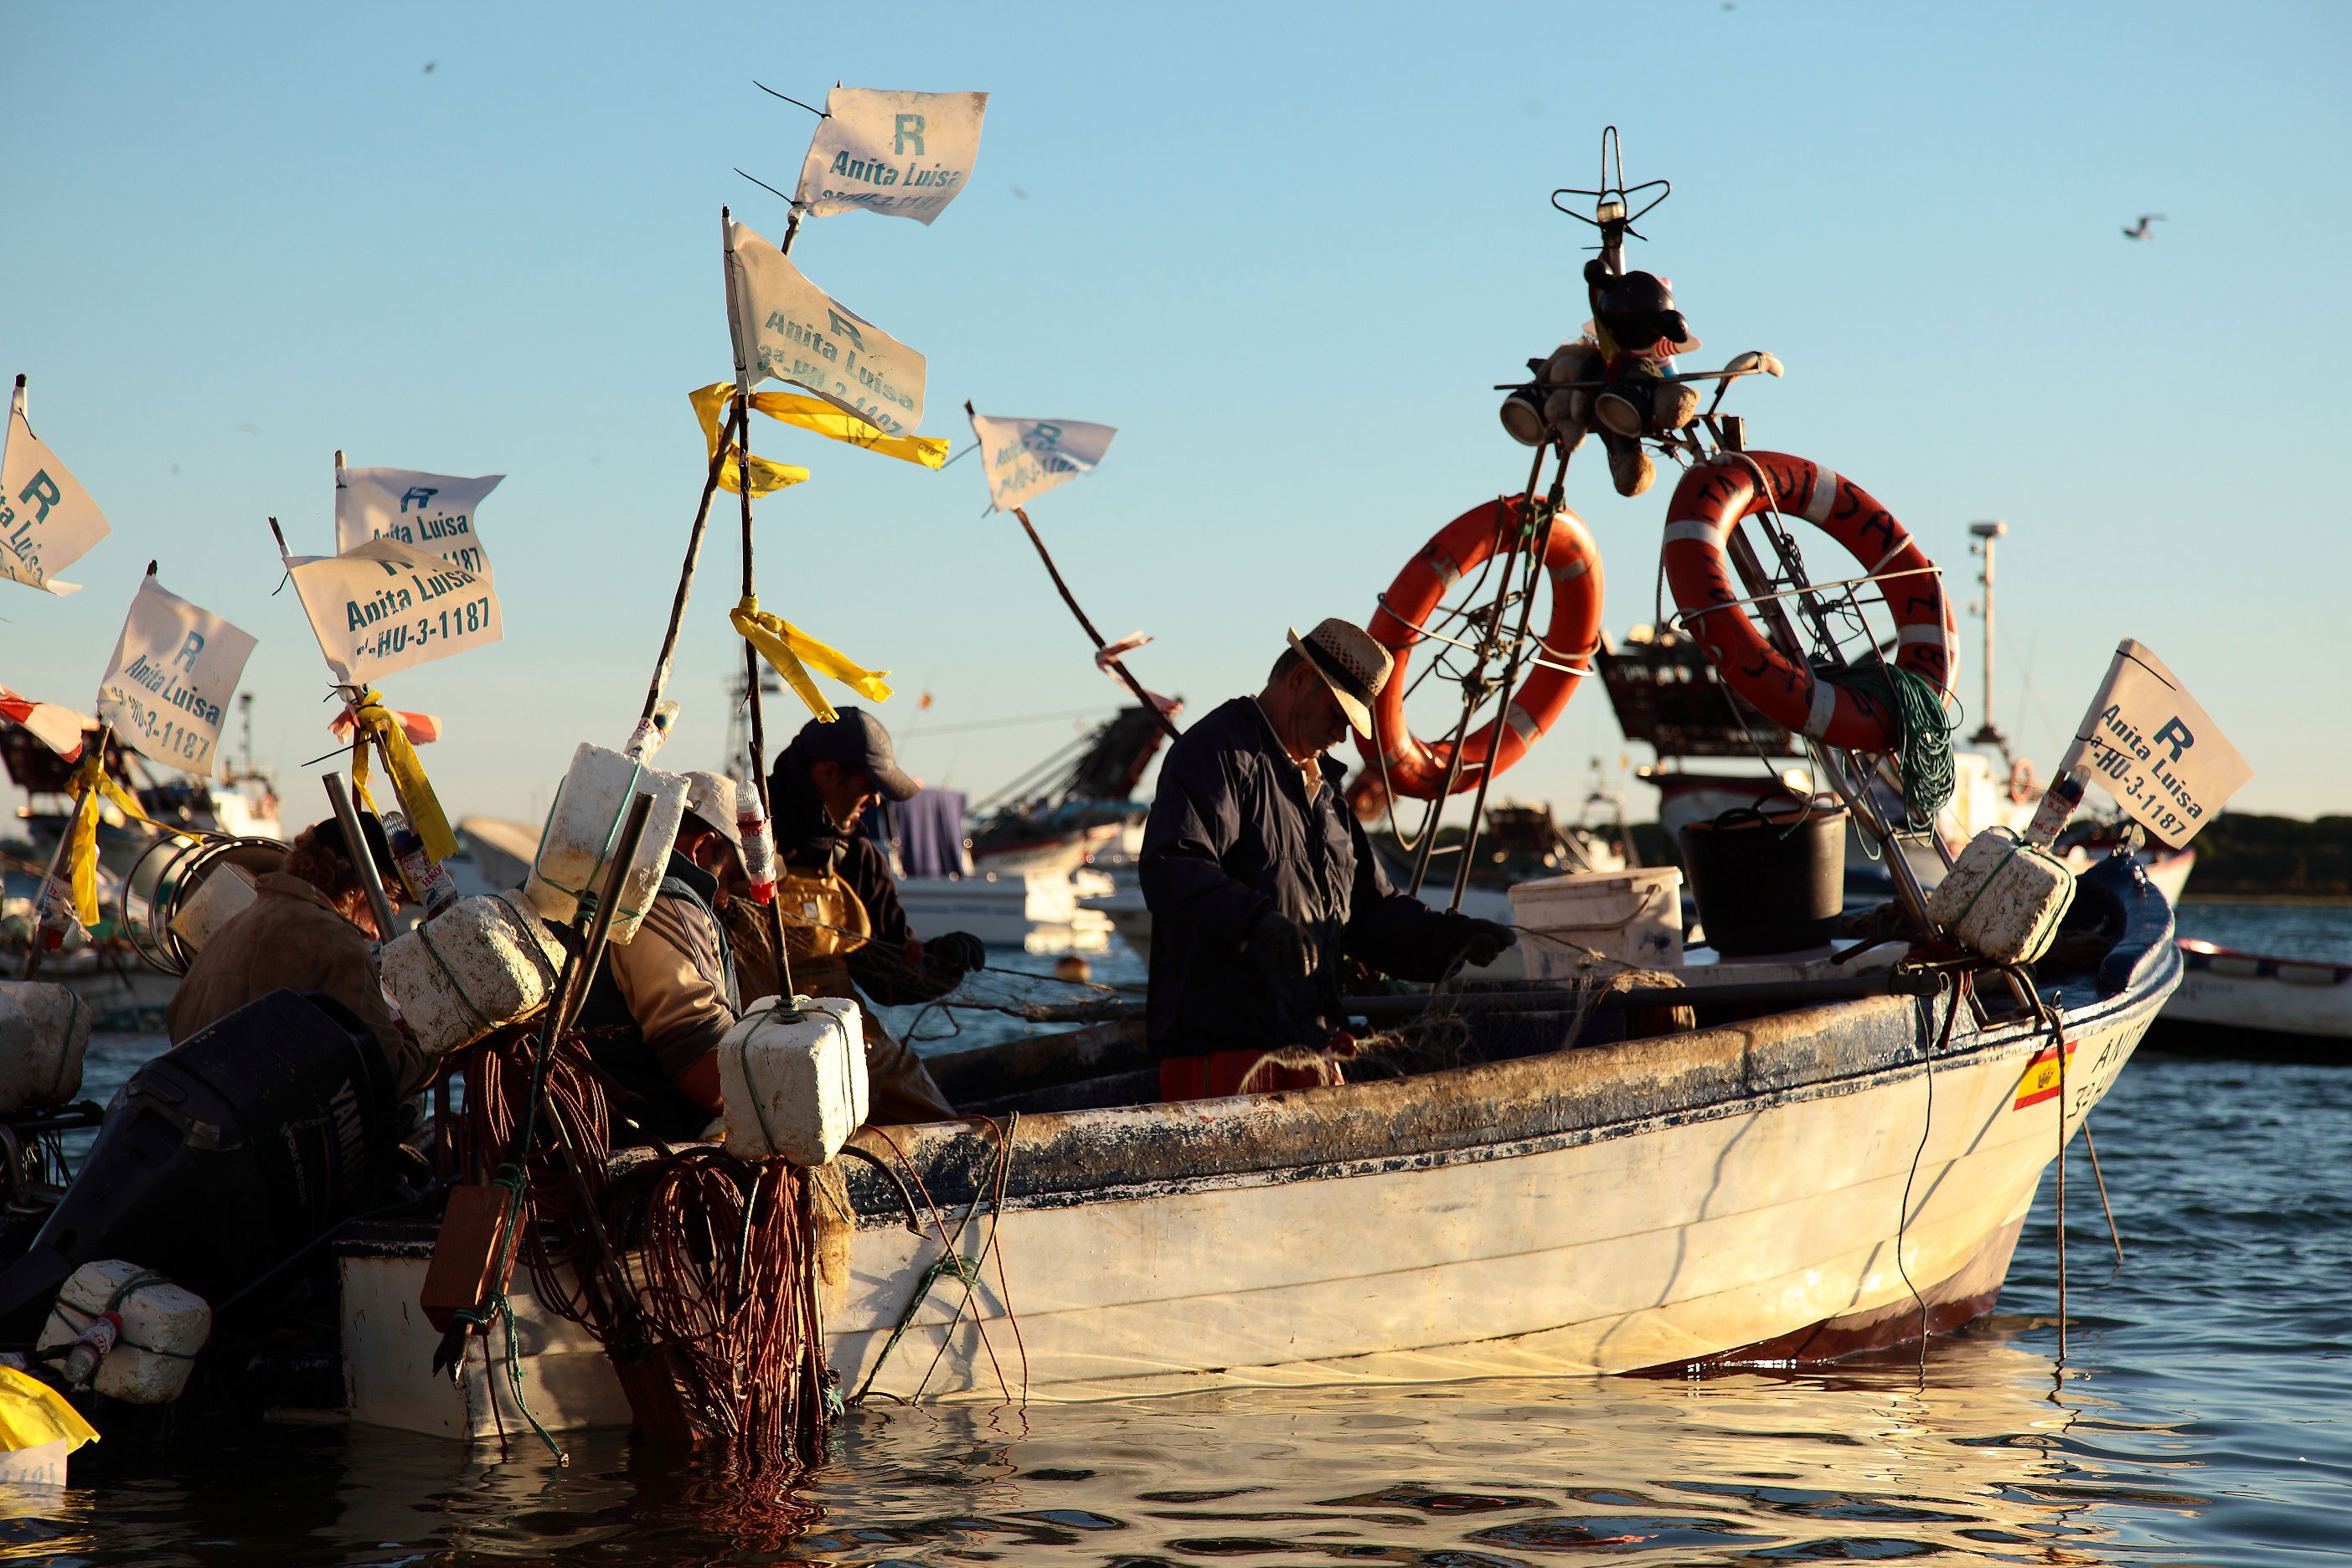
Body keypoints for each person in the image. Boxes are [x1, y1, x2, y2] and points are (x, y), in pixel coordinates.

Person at [1139, 617, 1517, 1101]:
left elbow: (1370, 912)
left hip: (1310, 1050)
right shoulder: (1218, 753)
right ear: (1299, 680)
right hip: (1223, 1057)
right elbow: (1172, 865)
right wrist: (1257, 922)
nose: (1343, 735)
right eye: (1341, 714)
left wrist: (1451, 939)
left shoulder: (1327, 794)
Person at [752, 707, 985, 1125]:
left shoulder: (859, 857)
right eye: (870, 785)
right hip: (747, 1039)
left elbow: (887, 975)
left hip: (843, 1039)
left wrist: (943, 960)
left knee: (935, 1122)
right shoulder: (742, 832)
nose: (876, 801)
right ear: (828, 772)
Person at [167, 816, 430, 1097]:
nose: (379, 933)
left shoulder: (233, 927)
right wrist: (433, 1034)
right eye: (388, 908)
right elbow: (391, 1074)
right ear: (360, 890)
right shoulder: (334, 941)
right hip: (262, 1129)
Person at [562, 771, 748, 1144]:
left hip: (582, 1139)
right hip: (635, 1151)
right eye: (729, 880)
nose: (725, 901)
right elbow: (709, 1076)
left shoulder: (591, 884)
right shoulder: (665, 905)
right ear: (701, 849)